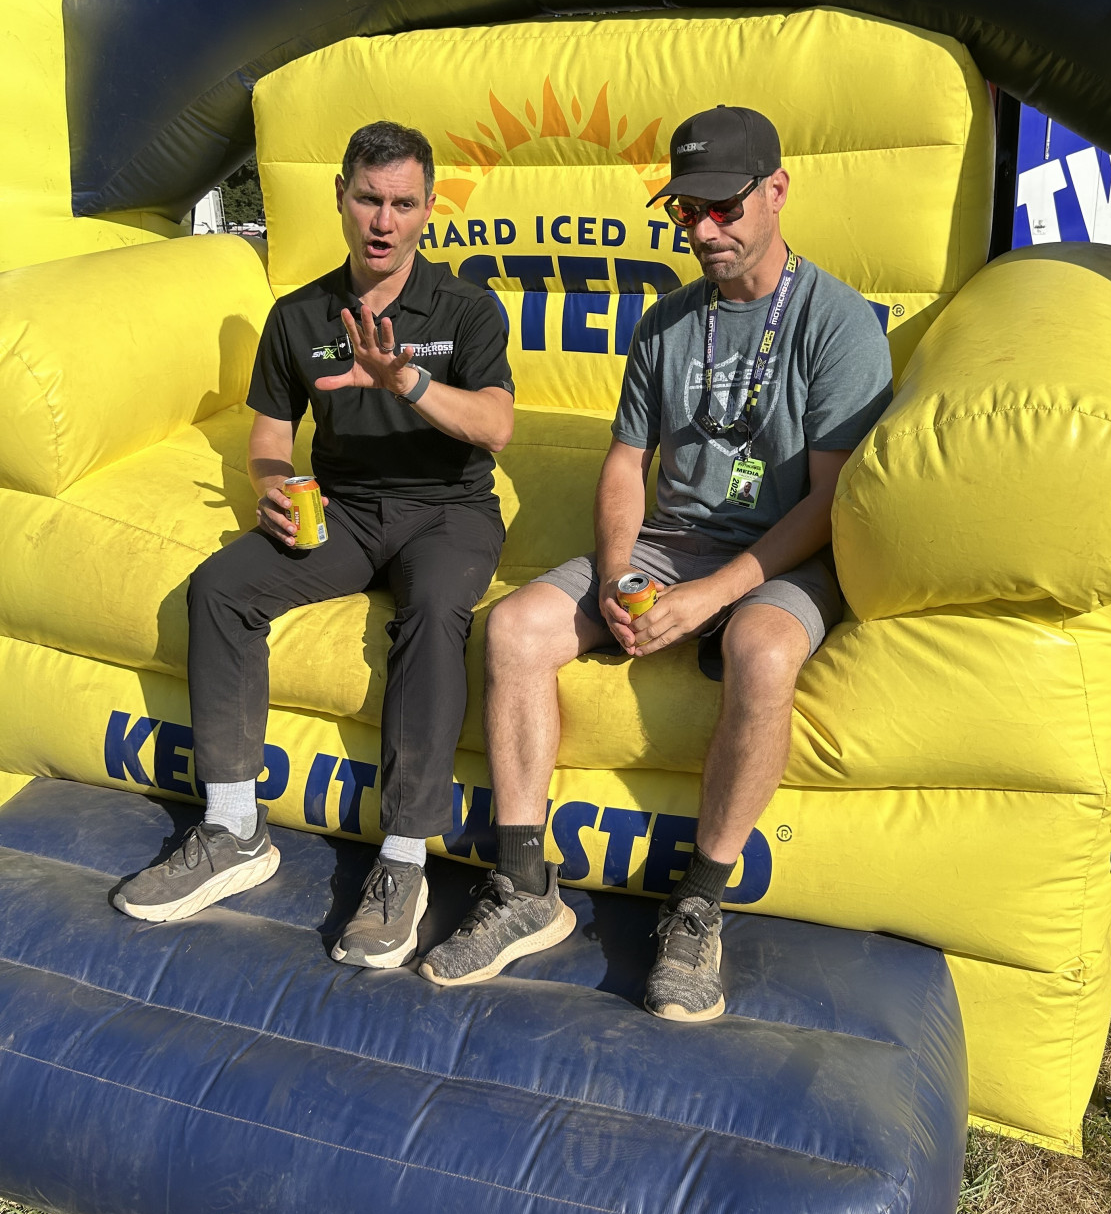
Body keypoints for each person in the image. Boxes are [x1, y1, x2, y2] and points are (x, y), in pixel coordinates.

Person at [419, 105, 892, 1020]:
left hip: (784, 552)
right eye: (687, 211)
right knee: (515, 628)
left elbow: (830, 503)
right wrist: (615, 577)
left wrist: (713, 595)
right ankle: (525, 886)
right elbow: (625, 465)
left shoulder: (837, 324)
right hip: (667, 544)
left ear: (777, 191)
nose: (704, 231)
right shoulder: (668, 321)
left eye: (724, 208)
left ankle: (699, 906)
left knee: (762, 650)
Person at [114, 121, 515, 968]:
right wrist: (271, 486)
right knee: (220, 589)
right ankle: (233, 828)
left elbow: (495, 426)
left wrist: (404, 378)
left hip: (448, 511)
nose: (383, 220)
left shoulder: (466, 308)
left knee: (434, 611)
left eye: (402, 203)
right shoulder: (298, 313)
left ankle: (402, 861)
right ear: (340, 196)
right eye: (368, 199)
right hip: (345, 509)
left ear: (428, 209)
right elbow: (270, 430)